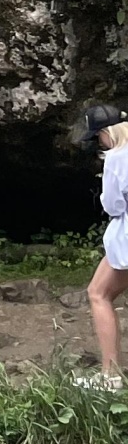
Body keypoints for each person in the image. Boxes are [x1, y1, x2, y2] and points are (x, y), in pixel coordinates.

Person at [87, 117, 128, 385]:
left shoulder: (117, 157)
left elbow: (114, 205)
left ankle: (110, 375)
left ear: (106, 132)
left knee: (98, 294)